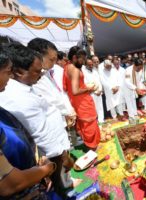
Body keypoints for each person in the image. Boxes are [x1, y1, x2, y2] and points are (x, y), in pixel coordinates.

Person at [0, 43, 73, 195]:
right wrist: (59, 159)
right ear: (19, 72)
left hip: (45, 156)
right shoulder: (17, 96)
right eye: (37, 72)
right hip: (49, 157)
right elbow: (41, 132)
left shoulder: (24, 85)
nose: (40, 75)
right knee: (57, 189)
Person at [28, 38, 76, 130]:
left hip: (64, 117)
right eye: (51, 59)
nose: (54, 63)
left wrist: (69, 110)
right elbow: (51, 100)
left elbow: (60, 93)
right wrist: (68, 112)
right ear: (38, 57)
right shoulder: (35, 77)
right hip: (52, 124)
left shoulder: (48, 71)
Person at [63, 46, 100, 150]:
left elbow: (70, 88)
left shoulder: (67, 66)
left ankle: (90, 146)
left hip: (77, 102)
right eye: (82, 59)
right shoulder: (74, 69)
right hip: (82, 102)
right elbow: (75, 90)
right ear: (75, 57)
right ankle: (92, 148)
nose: (83, 62)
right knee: (89, 125)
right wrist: (89, 89)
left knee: (85, 125)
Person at [82, 57, 104, 123]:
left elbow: (99, 81)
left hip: (99, 93)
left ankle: (101, 121)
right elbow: (86, 84)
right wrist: (95, 92)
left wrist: (100, 90)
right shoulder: (84, 73)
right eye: (89, 65)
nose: (91, 66)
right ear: (85, 65)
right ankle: (96, 122)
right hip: (91, 94)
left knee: (100, 107)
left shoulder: (95, 71)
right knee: (93, 108)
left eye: (92, 64)